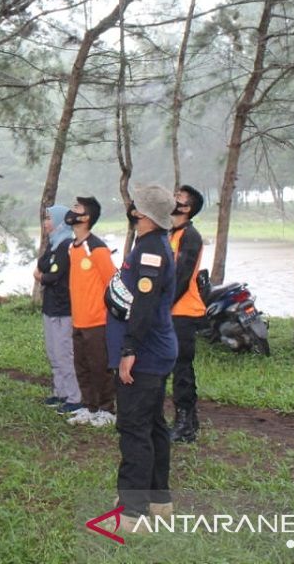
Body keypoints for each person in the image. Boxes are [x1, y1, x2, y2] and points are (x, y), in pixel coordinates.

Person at [106, 184, 179, 530]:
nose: (132, 208)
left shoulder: (150, 250)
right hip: (157, 348)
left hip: (146, 352)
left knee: (134, 428)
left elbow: (145, 305)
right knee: (152, 425)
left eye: (136, 206)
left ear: (145, 214)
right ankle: (158, 499)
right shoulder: (151, 244)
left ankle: (131, 511)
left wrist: (129, 349)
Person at [66, 196, 118, 428]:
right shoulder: (73, 247)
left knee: (100, 367)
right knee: (82, 366)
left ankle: (107, 409)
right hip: (78, 320)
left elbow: (113, 282)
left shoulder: (97, 248)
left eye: (76, 208)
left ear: (86, 217)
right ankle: (89, 406)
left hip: (98, 320)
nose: (71, 211)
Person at [34, 204, 81, 415]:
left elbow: (52, 275)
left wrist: (42, 276)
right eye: (45, 219)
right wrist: (44, 274)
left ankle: (74, 397)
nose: (46, 223)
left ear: (61, 221)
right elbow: (42, 264)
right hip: (50, 306)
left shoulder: (67, 245)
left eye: (49, 219)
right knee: (53, 352)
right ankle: (59, 392)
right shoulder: (53, 244)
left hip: (64, 308)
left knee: (64, 353)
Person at [169, 185, 206, 444]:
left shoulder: (190, 236)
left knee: (181, 367)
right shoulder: (173, 233)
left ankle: (185, 423)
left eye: (179, 198)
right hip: (171, 309)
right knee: (177, 366)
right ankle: (190, 419)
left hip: (182, 310)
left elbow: (182, 277)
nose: (174, 200)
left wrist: (162, 306)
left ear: (188, 208)